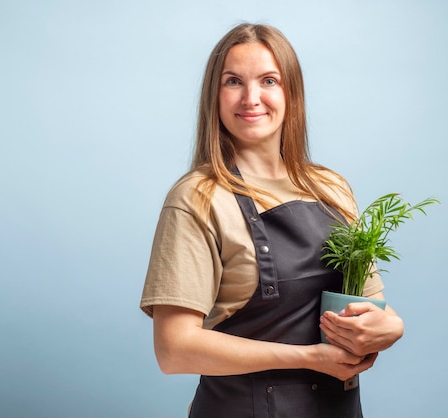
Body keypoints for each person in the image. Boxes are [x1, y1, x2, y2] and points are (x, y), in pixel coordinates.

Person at [140, 23, 404, 418]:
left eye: (268, 80)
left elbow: (371, 304)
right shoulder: (198, 197)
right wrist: (309, 358)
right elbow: (173, 349)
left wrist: (392, 329)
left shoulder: (331, 188)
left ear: (290, 93)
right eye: (233, 81)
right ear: (215, 95)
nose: (251, 98)